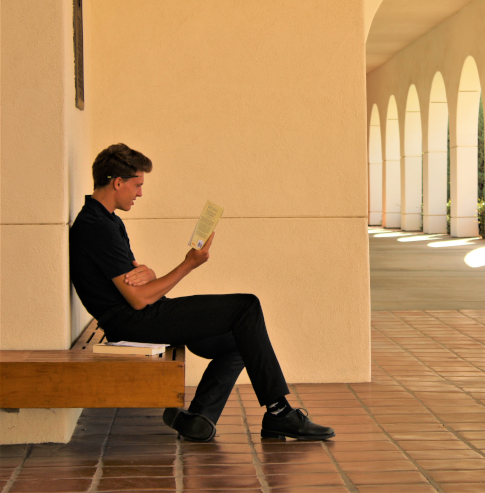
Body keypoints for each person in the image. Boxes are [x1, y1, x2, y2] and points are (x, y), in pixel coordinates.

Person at [69, 143, 334, 442]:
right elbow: (139, 298)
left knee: (241, 339)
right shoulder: (96, 227)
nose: (141, 193)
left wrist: (153, 275)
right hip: (132, 321)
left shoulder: (108, 221)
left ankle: (200, 416)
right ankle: (279, 412)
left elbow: (137, 280)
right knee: (246, 307)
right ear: (118, 182)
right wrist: (188, 264)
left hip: (141, 313)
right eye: (137, 185)